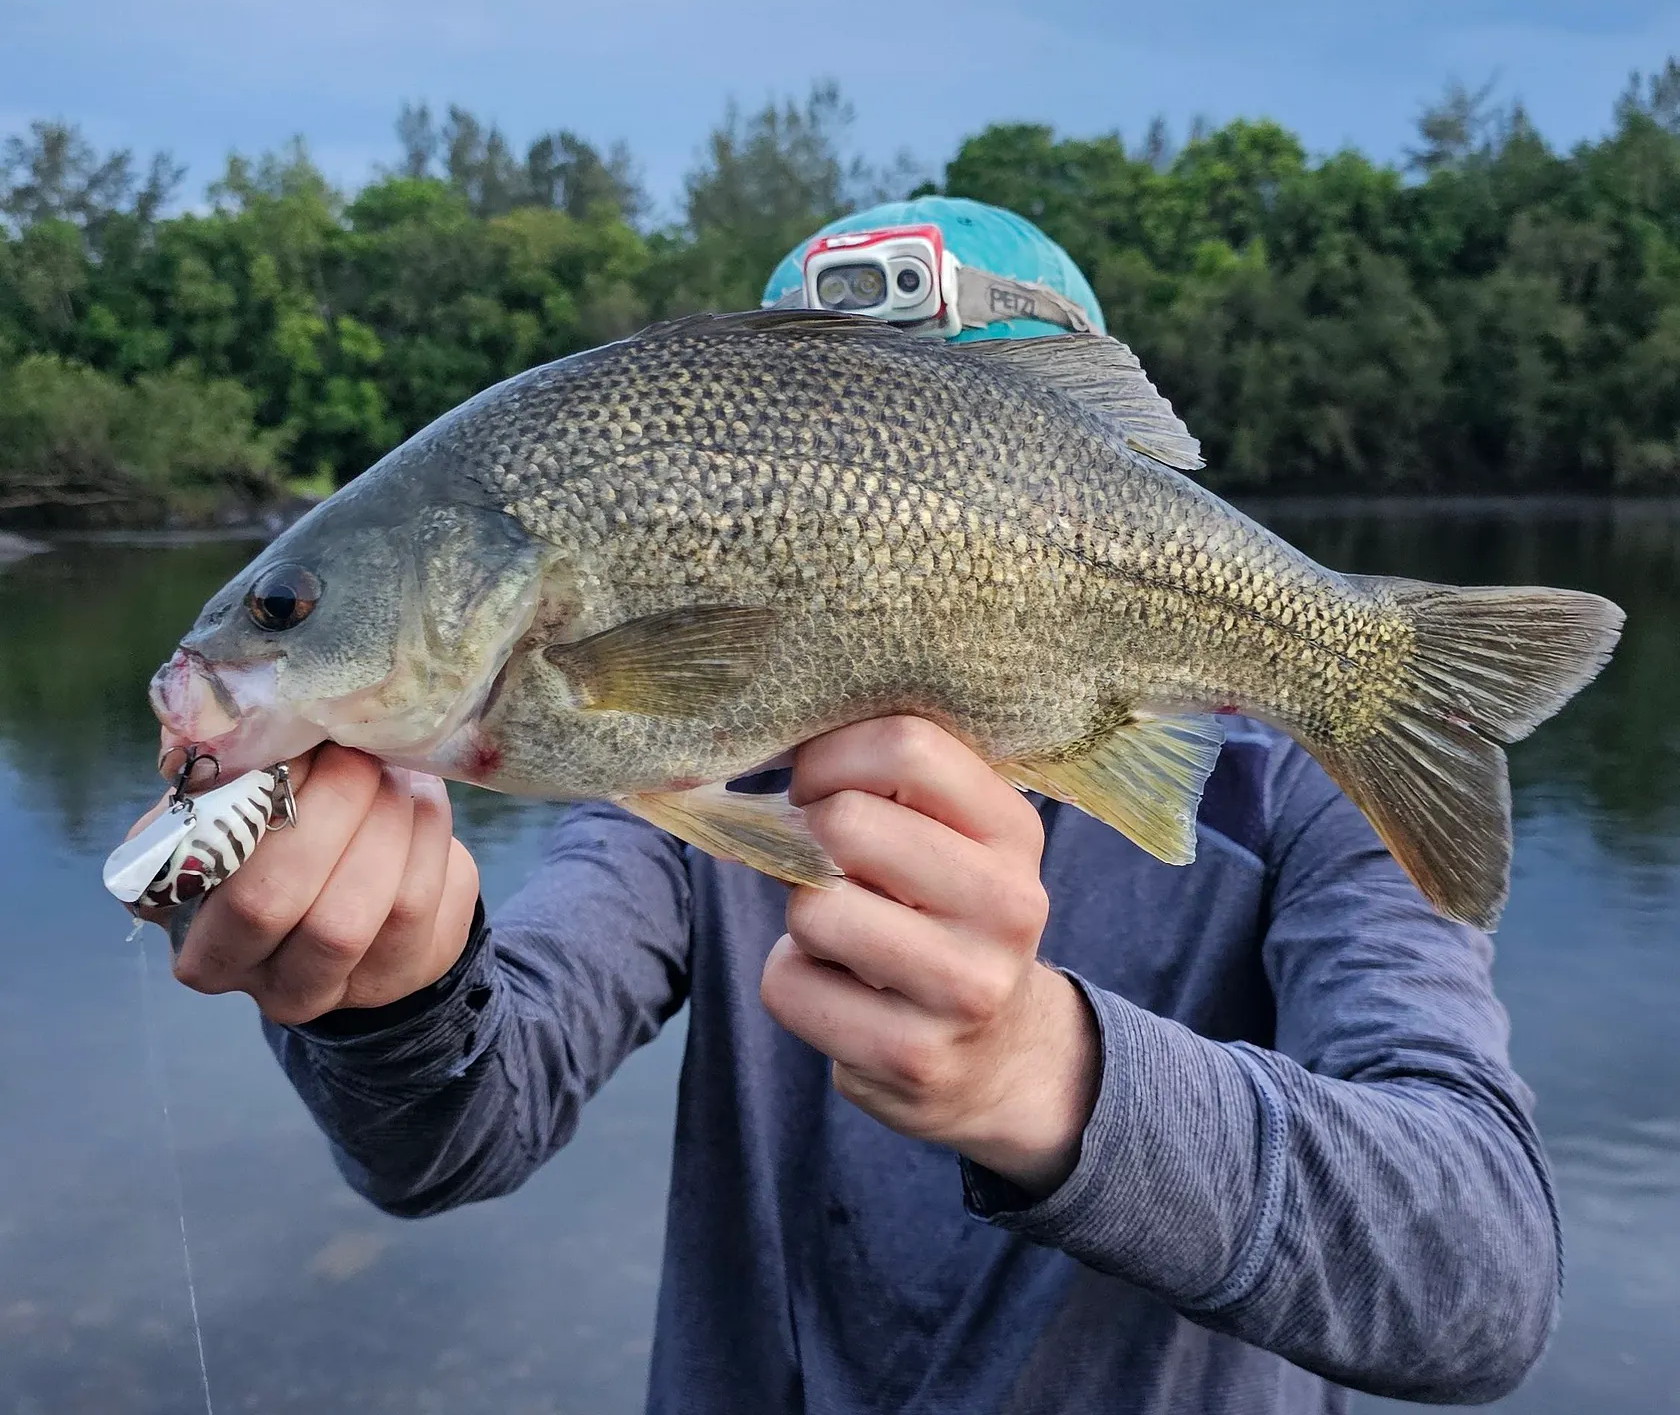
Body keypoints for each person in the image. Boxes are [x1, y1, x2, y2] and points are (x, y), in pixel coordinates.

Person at [161, 198, 1560, 1414]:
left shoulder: (1304, 780)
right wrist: (390, 1001)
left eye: (288, 609)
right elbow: (462, 1133)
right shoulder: (680, 779)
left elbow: (1482, 1279)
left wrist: (1042, 1073)